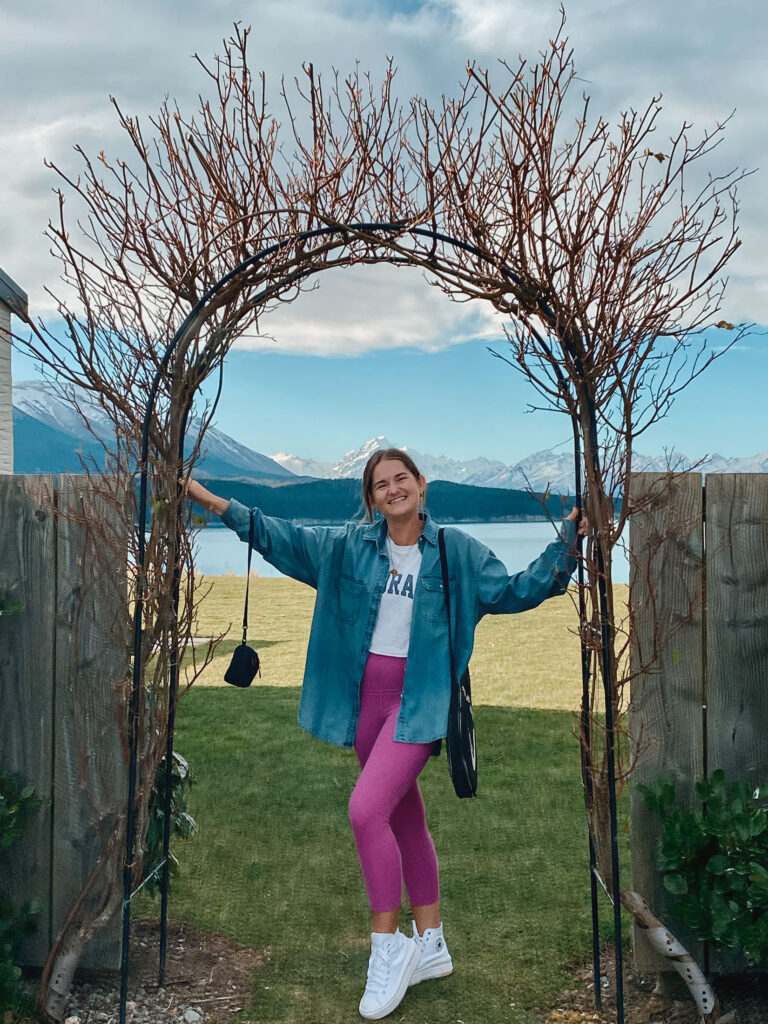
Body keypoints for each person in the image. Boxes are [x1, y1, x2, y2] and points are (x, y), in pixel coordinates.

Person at [182, 448, 584, 1021]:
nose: (393, 490)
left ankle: (388, 946)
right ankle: (433, 944)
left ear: (422, 485)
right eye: (380, 484)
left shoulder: (456, 552)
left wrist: (567, 542)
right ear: (371, 499)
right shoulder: (350, 546)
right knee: (405, 820)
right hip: (363, 705)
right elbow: (282, 538)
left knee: (365, 812)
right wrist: (211, 500)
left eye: (402, 479)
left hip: (417, 704)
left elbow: (518, 589)